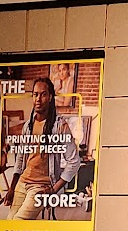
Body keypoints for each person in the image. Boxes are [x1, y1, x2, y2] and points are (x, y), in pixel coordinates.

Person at [5, 76, 80, 221]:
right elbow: (20, 159)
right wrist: (12, 188)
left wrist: (53, 190)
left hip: (40, 186)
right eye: (35, 94)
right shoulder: (28, 126)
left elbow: (74, 161)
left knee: (18, 222)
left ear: (50, 97)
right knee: (9, 223)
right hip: (23, 182)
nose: (38, 99)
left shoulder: (59, 126)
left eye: (43, 94)